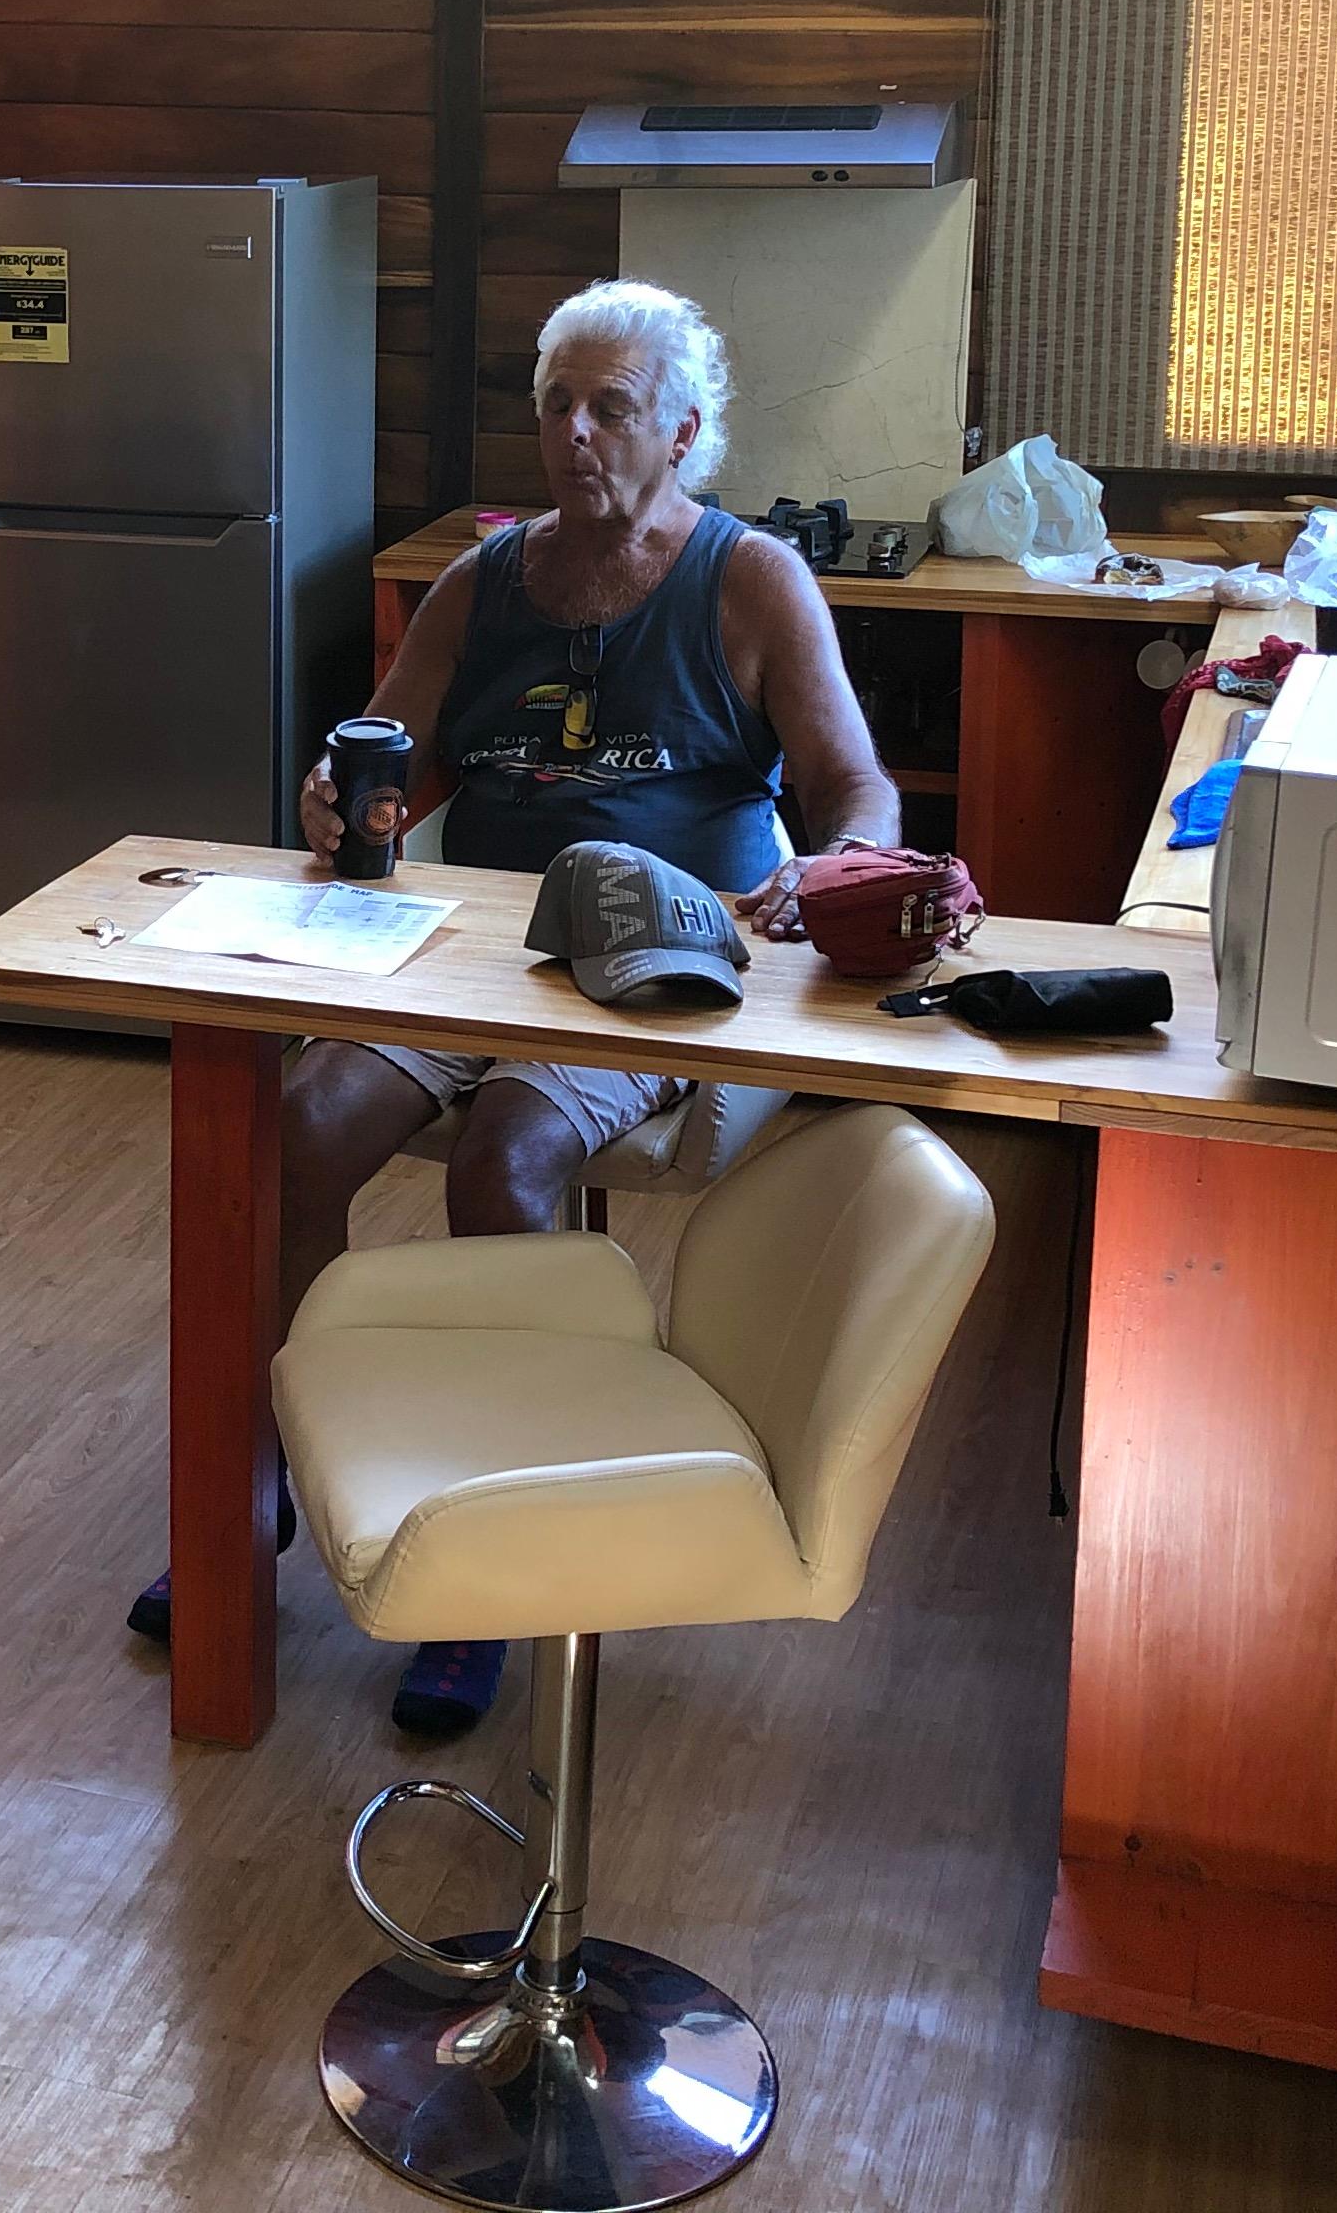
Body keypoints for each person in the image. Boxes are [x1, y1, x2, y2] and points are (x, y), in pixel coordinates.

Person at [128, 279, 905, 1738]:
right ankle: (269, 1476)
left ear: (683, 428)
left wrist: (848, 860)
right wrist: (338, 798)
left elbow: (854, 785)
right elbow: (396, 771)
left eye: (612, 405)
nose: (577, 433)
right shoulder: (484, 584)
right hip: (475, 950)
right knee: (297, 1125)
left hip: (651, 966)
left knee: (508, 1155)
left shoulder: (748, 582)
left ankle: (503, 1542)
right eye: (556, 404)